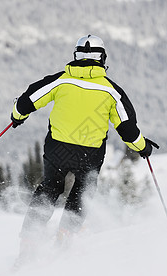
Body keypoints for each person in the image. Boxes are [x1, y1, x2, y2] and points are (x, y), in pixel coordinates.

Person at [11, 34, 159, 261]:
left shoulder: (60, 81)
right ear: (102, 59)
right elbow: (128, 130)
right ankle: (65, 238)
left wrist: (17, 116)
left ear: (76, 56)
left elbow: (26, 101)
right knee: (81, 192)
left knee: (50, 188)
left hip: (56, 149)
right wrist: (143, 147)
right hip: (89, 154)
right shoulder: (112, 92)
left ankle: (29, 242)